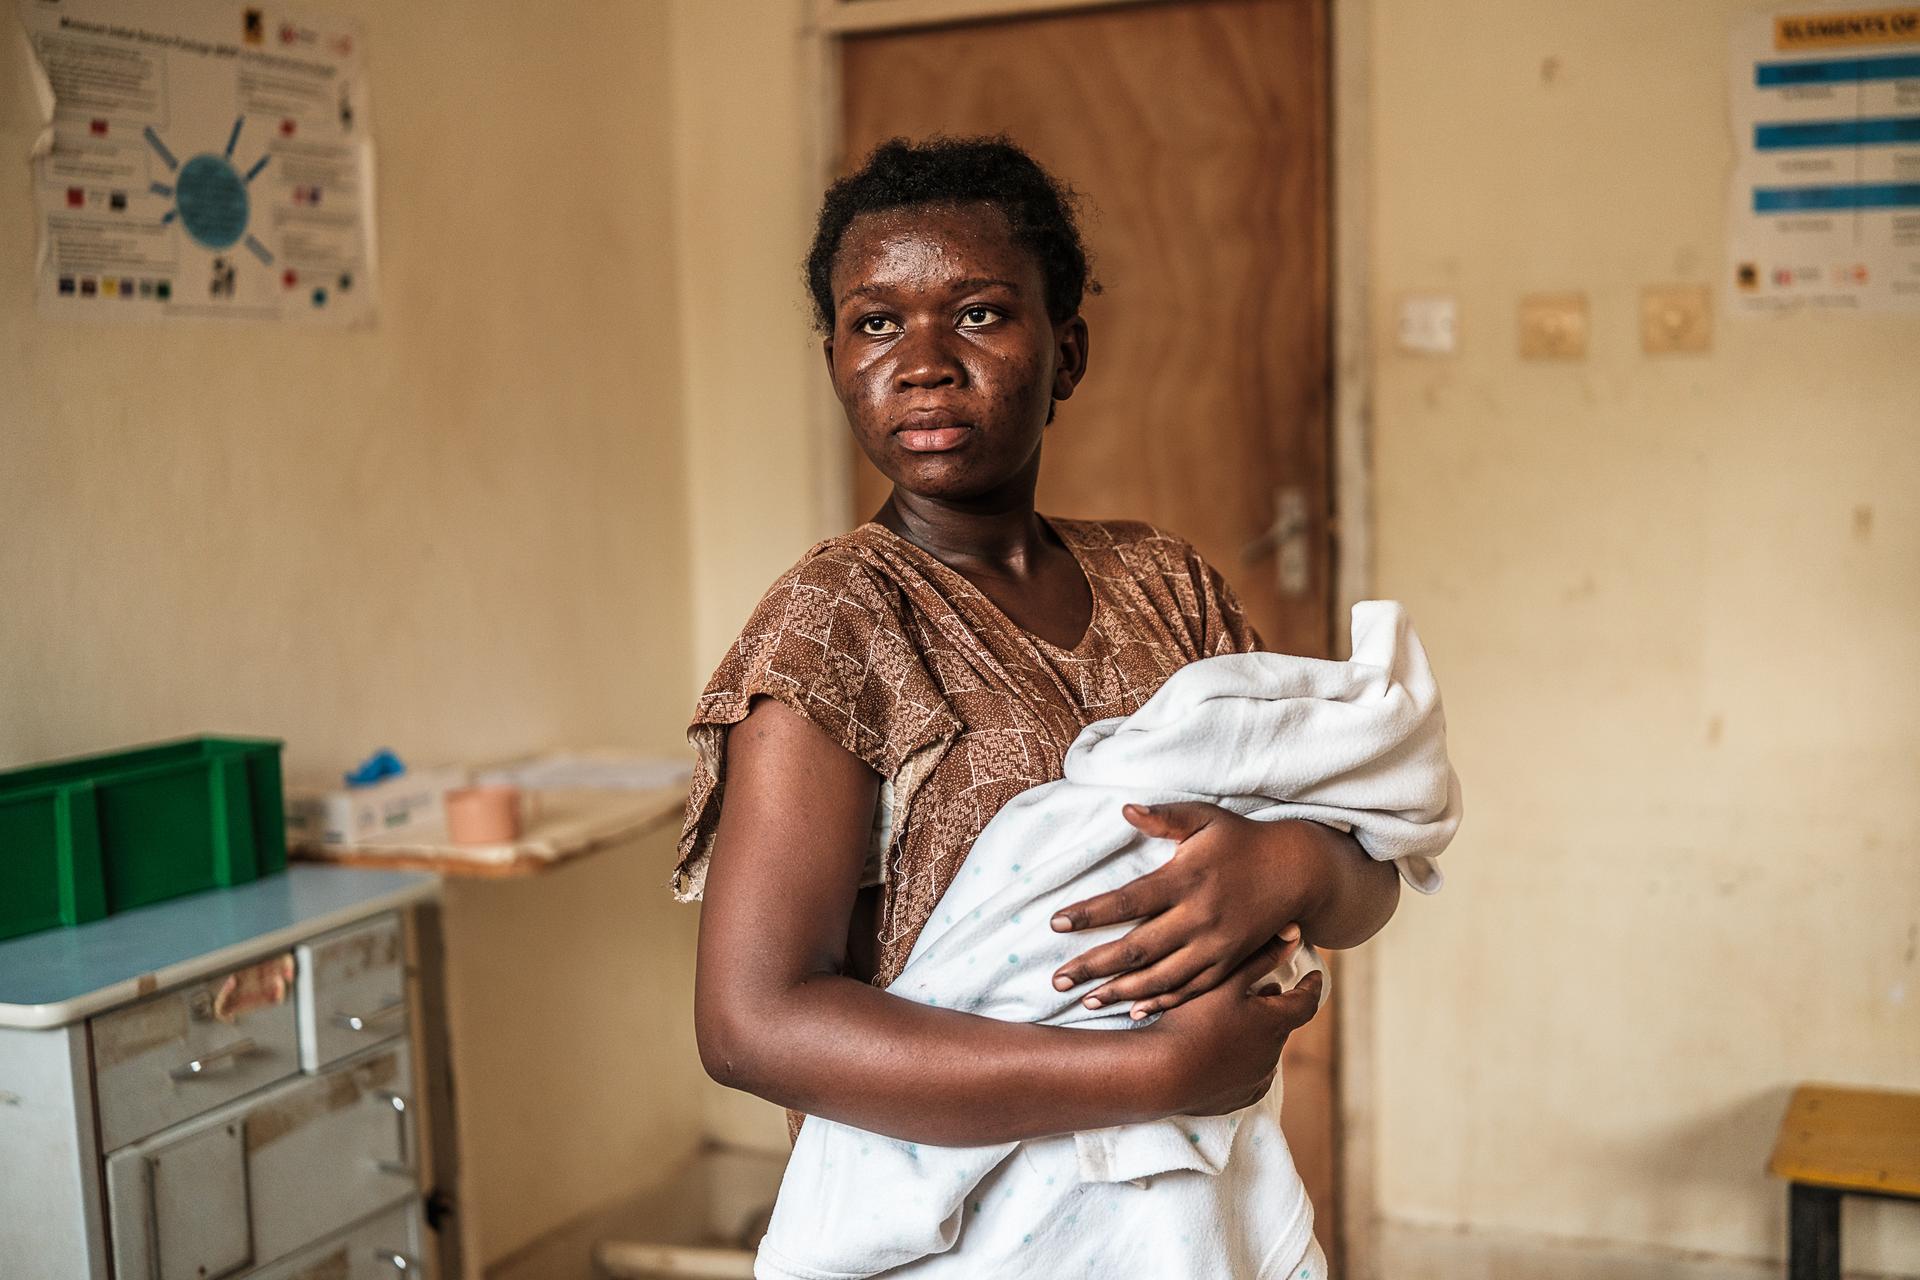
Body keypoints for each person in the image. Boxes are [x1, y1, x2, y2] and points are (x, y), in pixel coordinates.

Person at [670, 135, 1403, 1276]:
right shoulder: (834, 625)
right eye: (875, 323)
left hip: (1182, 1210)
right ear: (833, 361)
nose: (922, 361)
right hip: (964, 1230)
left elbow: (1367, 877)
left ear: (1067, 354)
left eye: (977, 315)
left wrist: (1295, 868)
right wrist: (1154, 1073)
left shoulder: (1168, 584)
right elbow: (751, 1022)